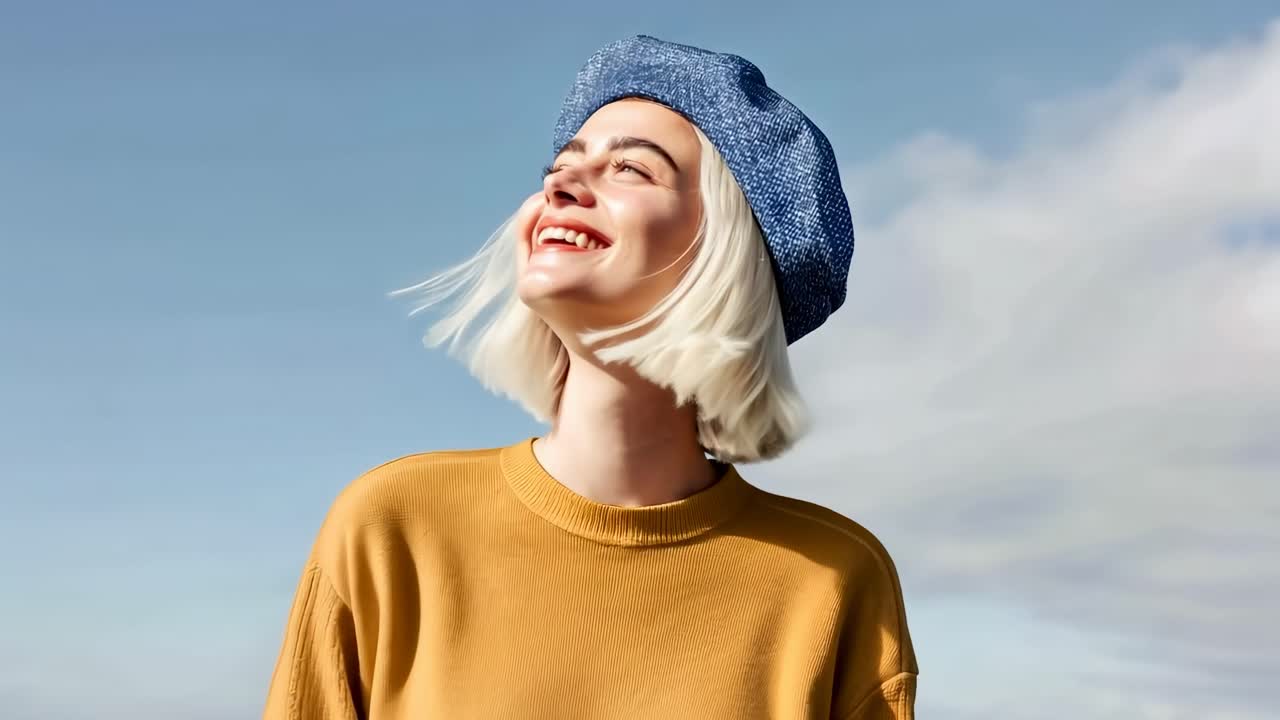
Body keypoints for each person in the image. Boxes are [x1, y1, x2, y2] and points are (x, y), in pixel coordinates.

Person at [263, 35, 918, 720]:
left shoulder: (834, 579)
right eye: (563, 164)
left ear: (724, 248)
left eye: (631, 169)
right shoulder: (391, 526)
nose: (560, 185)